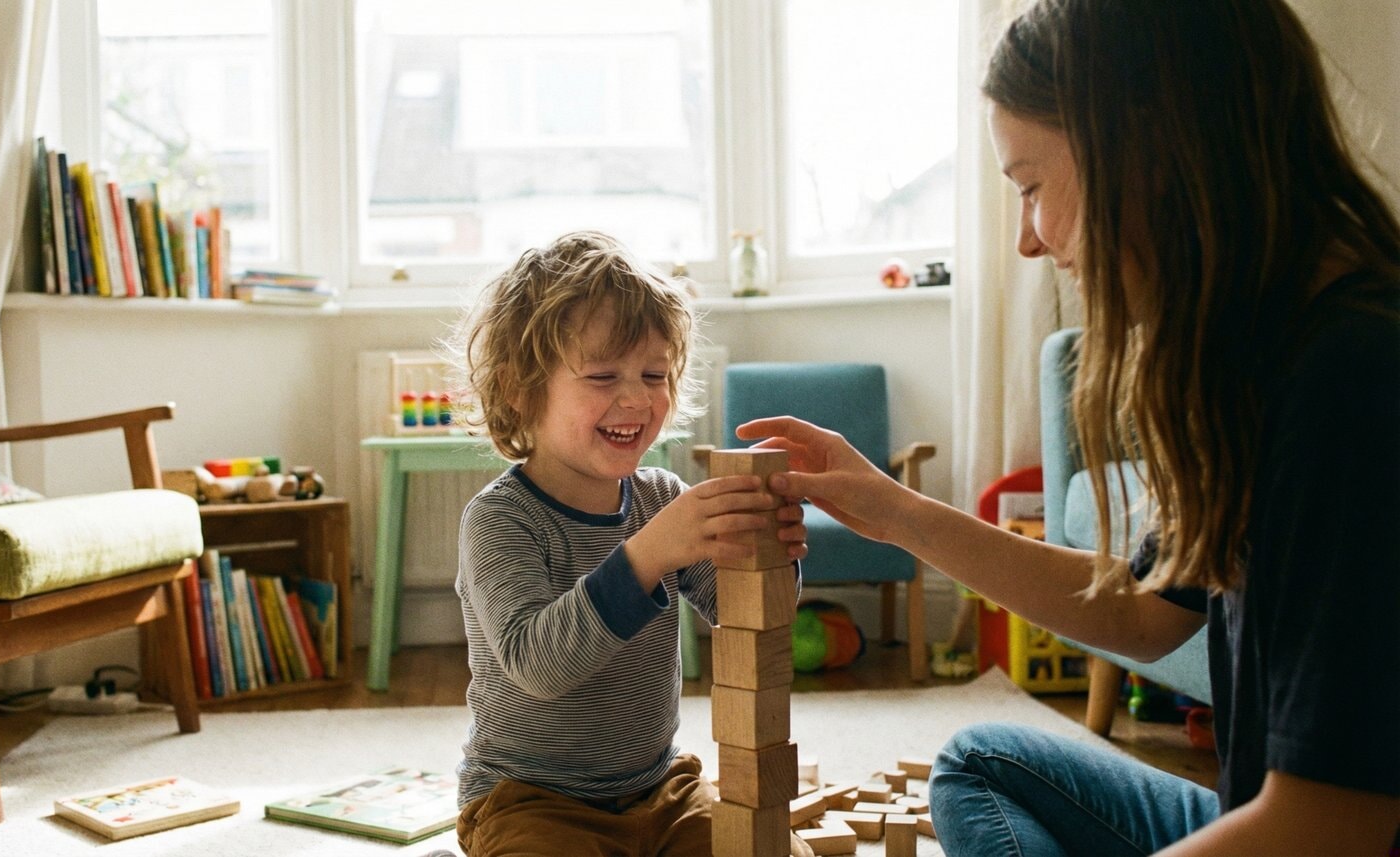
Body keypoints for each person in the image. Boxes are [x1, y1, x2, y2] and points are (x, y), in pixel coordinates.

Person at [738, 1, 1400, 854]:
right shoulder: (1269, 354)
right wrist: (892, 508)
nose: (1026, 239)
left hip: (1312, 830)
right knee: (980, 757)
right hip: (1264, 813)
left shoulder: (1352, 377)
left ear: (1146, 147)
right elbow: (1148, 611)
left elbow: (1329, 823)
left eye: (1031, 188)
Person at [448, 230, 812, 856]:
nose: (637, 398)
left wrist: (769, 556)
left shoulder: (661, 497)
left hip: (658, 789)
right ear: (518, 389)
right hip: (530, 800)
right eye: (602, 375)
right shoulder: (500, 520)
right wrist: (648, 555)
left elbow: (743, 612)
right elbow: (538, 665)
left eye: (653, 373)